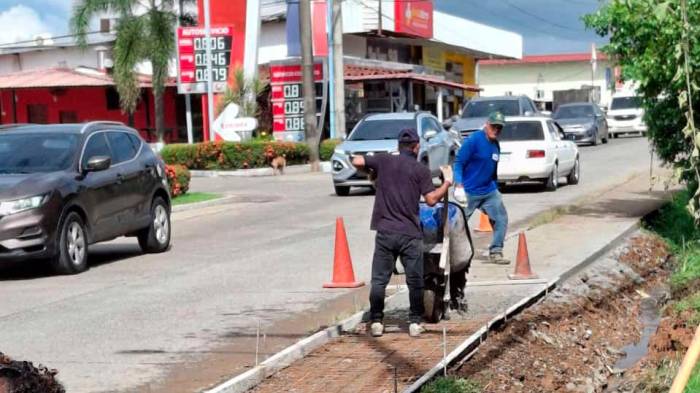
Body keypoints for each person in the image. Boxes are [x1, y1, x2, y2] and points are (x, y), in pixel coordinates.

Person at [352, 128, 452, 338]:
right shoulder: (420, 170)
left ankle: (377, 321)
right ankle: (415, 322)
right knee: (415, 280)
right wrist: (447, 183)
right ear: (416, 147)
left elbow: (357, 161)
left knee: (379, 280)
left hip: (385, 232)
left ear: (398, 146)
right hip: (409, 234)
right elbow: (432, 199)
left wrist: (374, 168)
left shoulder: (384, 161)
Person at [453, 111, 510, 265]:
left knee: (501, 219)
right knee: (457, 224)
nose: (496, 130)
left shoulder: (496, 145)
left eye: (499, 127)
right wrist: (458, 184)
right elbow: (458, 163)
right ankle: (450, 254)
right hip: (469, 192)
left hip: (489, 191)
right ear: (487, 124)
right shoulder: (473, 141)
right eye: (493, 126)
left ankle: (496, 251)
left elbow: (492, 169)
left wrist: (496, 187)